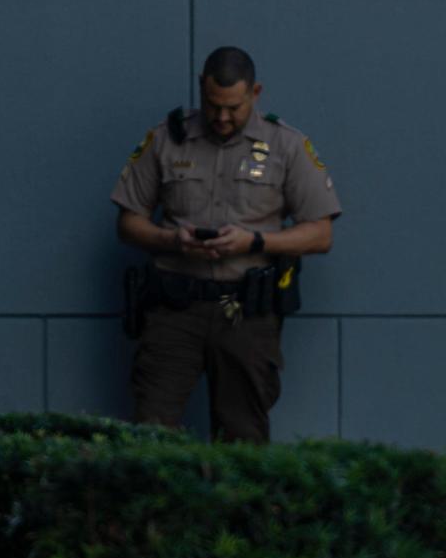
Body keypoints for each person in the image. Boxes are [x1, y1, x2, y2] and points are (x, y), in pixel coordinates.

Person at [110, 46, 341, 443]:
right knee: (150, 435)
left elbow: (321, 235)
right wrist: (171, 240)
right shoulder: (166, 139)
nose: (222, 117)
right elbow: (127, 223)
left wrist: (254, 242)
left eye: (233, 107)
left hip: (245, 314)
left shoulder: (286, 145)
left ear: (256, 92)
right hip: (173, 308)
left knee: (243, 440)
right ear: (201, 87)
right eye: (213, 105)